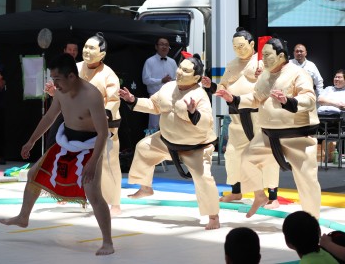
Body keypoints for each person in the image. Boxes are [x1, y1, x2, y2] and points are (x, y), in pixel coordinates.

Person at [0, 53, 114, 256]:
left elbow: (103, 133)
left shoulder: (92, 95)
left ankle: (108, 242)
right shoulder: (60, 92)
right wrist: (32, 140)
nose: (55, 84)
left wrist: (93, 162)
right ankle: (23, 217)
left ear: (71, 76)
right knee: (33, 174)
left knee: (93, 192)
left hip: (90, 144)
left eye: (57, 79)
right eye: (52, 79)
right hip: (65, 140)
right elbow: (50, 116)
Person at [217, 36, 321, 219]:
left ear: (281, 56)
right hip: (268, 134)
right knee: (247, 159)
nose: (263, 59)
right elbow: (256, 98)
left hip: (297, 136)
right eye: (263, 55)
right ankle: (259, 195)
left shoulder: (298, 73)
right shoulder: (265, 74)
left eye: (267, 55)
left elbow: (309, 98)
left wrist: (288, 100)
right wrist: (233, 99)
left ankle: (312, 221)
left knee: (307, 180)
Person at [119, 54, 220, 230]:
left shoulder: (200, 95)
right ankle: (145, 187)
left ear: (196, 77)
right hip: (166, 140)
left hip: (195, 146)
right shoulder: (168, 87)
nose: (180, 72)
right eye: (180, 67)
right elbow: (154, 105)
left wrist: (193, 113)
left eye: (186, 70)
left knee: (204, 178)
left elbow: (207, 123)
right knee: (144, 147)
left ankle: (213, 217)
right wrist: (133, 100)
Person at [44, 34, 122, 216]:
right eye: (85, 47)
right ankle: (70, 193)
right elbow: (65, 92)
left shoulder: (109, 75)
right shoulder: (75, 68)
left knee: (109, 165)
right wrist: (54, 93)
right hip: (78, 127)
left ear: (102, 54)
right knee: (72, 161)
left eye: (91, 48)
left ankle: (115, 202)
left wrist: (103, 115)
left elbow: (113, 100)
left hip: (105, 127)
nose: (86, 51)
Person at [210, 28, 279, 209]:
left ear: (251, 44)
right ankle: (236, 190)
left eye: (241, 46)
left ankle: (272, 195)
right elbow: (223, 86)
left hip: (259, 114)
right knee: (232, 153)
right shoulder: (232, 64)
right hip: (236, 115)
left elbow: (275, 81)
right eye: (235, 47)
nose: (238, 50)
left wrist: (264, 73)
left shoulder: (263, 61)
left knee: (266, 153)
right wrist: (211, 87)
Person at [44, 39, 79, 150]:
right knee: (52, 142)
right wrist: (52, 92)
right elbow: (56, 91)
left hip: (77, 112)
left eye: (74, 50)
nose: (72, 52)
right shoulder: (56, 68)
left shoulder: (82, 68)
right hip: (60, 111)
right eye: (70, 49)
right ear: (64, 51)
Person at [142, 37, 177, 130]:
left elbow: (176, 80)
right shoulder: (150, 61)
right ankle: (150, 144)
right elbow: (145, 80)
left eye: (166, 45)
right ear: (156, 47)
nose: (164, 47)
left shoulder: (172, 62)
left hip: (170, 98)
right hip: (154, 98)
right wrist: (161, 80)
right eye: (162, 44)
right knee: (154, 125)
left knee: (169, 125)